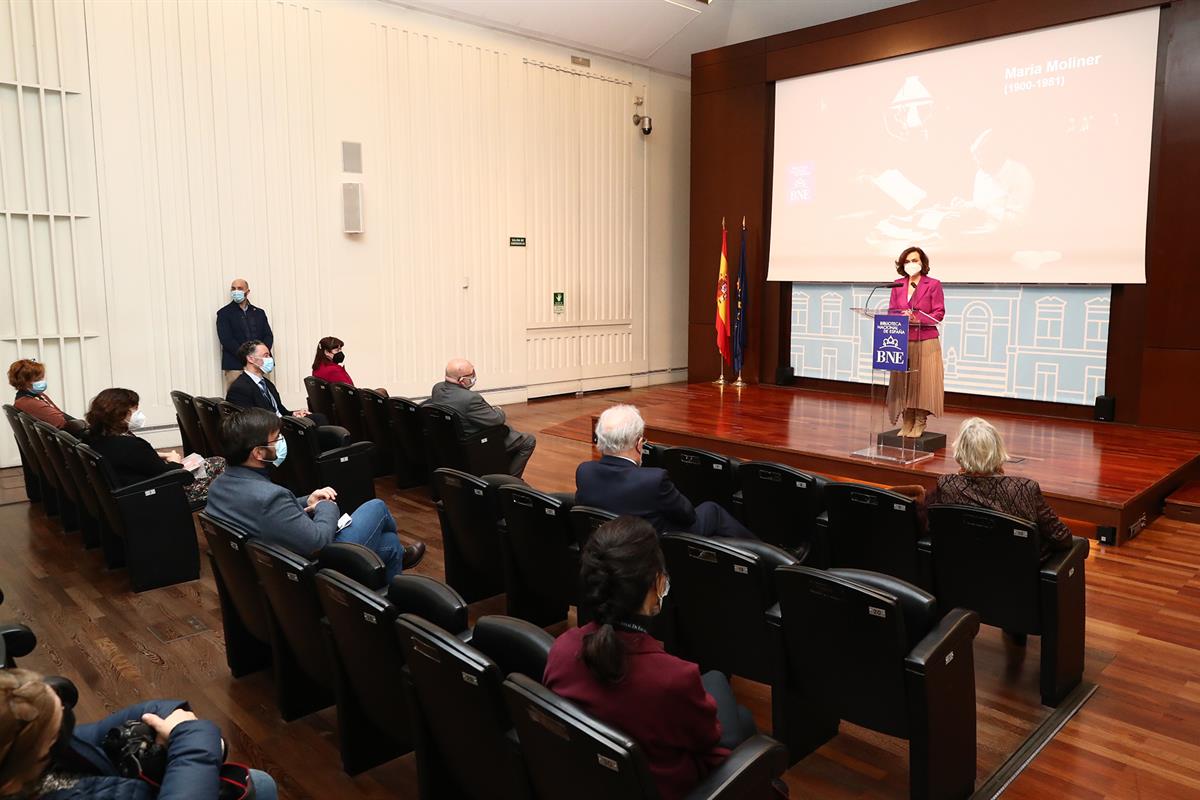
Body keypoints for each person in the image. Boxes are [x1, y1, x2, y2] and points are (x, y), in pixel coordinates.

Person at [543, 518, 760, 800]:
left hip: (596, 784)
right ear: (652, 585)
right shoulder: (672, 679)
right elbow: (709, 745)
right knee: (742, 722)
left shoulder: (561, 650)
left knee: (735, 709)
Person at [204, 408, 425, 580]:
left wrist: (307, 500)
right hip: (314, 570)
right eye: (276, 439)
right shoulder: (269, 497)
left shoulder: (219, 487)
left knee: (388, 544)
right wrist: (325, 506)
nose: (282, 443)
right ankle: (394, 570)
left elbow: (269, 514)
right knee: (376, 507)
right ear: (258, 453)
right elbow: (318, 543)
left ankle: (394, 570)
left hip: (270, 567)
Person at [0, 668, 277, 800]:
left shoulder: (43, 757)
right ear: (10, 784)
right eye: (55, 730)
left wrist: (170, 719)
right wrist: (190, 733)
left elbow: (93, 734)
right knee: (260, 786)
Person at [576, 405, 756, 540]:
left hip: (611, 546)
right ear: (639, 444)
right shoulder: (653, 480)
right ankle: (763, 554)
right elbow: (688, 515)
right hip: (654, 549)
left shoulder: (584, 472)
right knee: (712, 510)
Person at [927, 416, 1073, 559]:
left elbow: (930, 528)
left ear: (960, 453)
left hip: (962, 574)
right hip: (1016, 578)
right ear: (998, 450)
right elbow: (1063, 539)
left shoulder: (947, 485)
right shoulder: (1026, 489)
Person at [82, 388, 225, 505]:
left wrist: (161, 455)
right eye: (135, 410)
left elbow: (133, 460)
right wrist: (176, 462)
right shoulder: (130, 445)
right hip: (160, 492)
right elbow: (164, 473)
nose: (139, 414)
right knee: (221, 464)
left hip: (130, 488)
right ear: (121, 414)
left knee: (215, 462)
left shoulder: (95, 436)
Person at [428, 358, 535, 478]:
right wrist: (499, 410)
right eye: (472, 374)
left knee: (510, 431)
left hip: (450, 443)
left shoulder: (437, 388)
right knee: (528, 441)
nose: (474, 376)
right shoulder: (470, 399)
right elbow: (496, 420)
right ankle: (511, 481)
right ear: (463, 380)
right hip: (475, 444)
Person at [887, 246, 945, 438]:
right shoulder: (897, 285)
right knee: (904, 382)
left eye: (915, 260)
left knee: (923, 382)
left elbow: (939, 313)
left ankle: (920, 421)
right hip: (902, 340)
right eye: (908, 261)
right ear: (902, 264)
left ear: (923, 263)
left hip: (926, 340)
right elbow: (891, 311)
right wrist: (900, 315)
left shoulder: (933, 284)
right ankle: (907, 420)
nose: (912, 264)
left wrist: (918, 319)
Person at [226, 340, 325, 425]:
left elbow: (281, 411)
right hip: (269, 430)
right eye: (266, 355)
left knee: (318, 418)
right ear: (250, 359)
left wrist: (294, 414)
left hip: (280, 422)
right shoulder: (239, 388)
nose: (270, 359)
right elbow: (249, 423)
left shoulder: (267, 383)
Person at [216, 278, 273, 390]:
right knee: (237, 401)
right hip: (235, 365)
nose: (236, 291)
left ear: (247, 291)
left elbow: (268, 336)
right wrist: (247, 357)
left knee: (263, 398)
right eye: (233, 288)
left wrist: (261, 356)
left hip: (259, 364)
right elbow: (226, 340)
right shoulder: (224, 313)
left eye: (240, 288)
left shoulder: (259, 312)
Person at [9, 359, 74, 430]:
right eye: (37, 380)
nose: (42, 382)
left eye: (41, 378)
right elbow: (59, 421)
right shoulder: (27, 402)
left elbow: (60, 414)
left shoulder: (37, 396)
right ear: (23, 382)